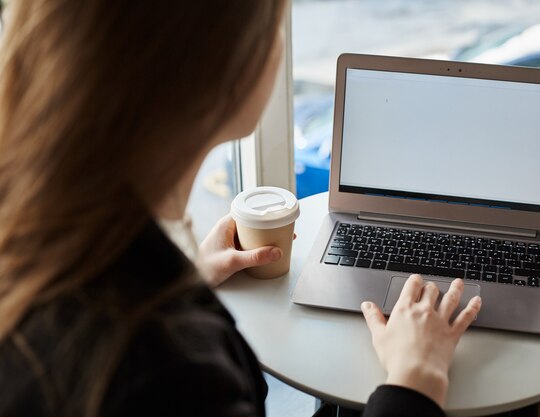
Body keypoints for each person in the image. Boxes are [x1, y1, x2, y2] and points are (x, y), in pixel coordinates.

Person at [0, 1, 482, 417]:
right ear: (224, 70)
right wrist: (414, 383)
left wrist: (186, 278)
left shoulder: (37, 243)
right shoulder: (174, 375)